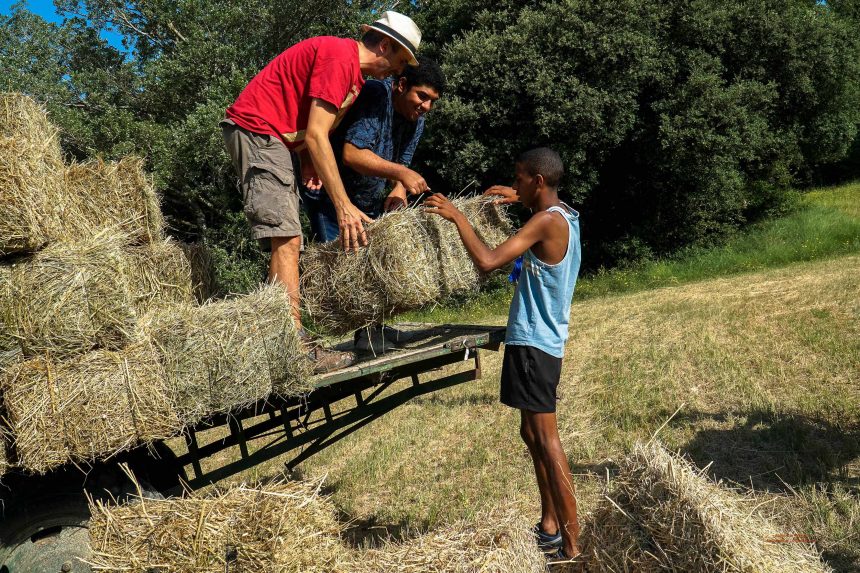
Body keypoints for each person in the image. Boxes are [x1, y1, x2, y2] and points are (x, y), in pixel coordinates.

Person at [220, 11, 421, 372]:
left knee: (289, 239)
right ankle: (295, 349)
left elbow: (312, 128)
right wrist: (342, 205)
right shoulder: (339, 59)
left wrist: (309, 162)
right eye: (400, 61)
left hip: (276, 139)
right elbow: (315, 133)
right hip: (258, 132)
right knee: (288, 238)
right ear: (385, 45)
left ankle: (281, 341)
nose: (398, 71)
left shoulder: (355, 79)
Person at [425, 148, 583, 563]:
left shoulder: (546, 221)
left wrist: (458, 217)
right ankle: (549, 526)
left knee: (547, 441)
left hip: (535, 343)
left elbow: (488, 260)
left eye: (519, 178)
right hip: (537, 341)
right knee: (530, 434)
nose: (513, 184)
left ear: (538, 180)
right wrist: (520, 198)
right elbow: (549, 205)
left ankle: (573, 547)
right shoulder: (564, 215)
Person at [302, 55, 446, 243]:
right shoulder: (376, 94)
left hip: (366, 206)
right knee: (337, 264)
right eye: (422, 96)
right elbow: (352, 154)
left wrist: (399, 189)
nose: (426, 106)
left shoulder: (416, 119)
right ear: (402, 85)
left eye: (432, 101)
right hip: (331, 198)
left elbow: (402, 162)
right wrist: (402, 173)